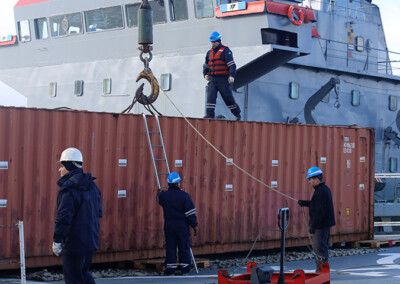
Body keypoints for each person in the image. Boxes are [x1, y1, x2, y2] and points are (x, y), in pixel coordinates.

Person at [52, 147, 103, 284]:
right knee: (84, 275)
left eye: (62, 166)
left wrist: (57, 240)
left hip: (74, 243)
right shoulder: (92, 186)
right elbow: (98, 212)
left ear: (69, 165)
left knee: (73, 278)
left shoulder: (69, 189)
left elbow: (63, 218)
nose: (59, 169)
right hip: (90, 241)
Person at [157, 172, 198, 275]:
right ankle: (184, 268)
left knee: (170, 246)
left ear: (168, 183)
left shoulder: (163, 196)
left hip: (169, 225)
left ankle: (170, 268)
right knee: (184, 246)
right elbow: (190, 213)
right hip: (182, 225)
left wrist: (158, 193)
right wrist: (194, 226)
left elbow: (159, 200)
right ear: (178, 183)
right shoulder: (184, 196)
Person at [298, 167, 335, 271]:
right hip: (324, 225)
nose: (309, 182)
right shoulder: (322, 190)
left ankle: (321, 271)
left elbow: (320, 212)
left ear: (316, 179)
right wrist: (305, 203)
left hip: (321, 226)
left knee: (319, 248)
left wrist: (313, 227)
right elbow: (317, 205)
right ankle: (322, 270)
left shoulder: (320, 192)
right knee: (321, 248)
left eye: (310, 179)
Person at [203, 31, 241, 121]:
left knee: (228, 99)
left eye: (214, 42)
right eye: (211, 42)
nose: (212, 43)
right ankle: (209, 115)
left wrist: (232, 76)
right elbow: (206, 65)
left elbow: (232, 65)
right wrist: (205, 74)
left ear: (219, 41)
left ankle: (237, 113)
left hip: (223, 79)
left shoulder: (226, 51)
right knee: (210, 97)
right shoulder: (209, 53)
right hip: (213, 79)